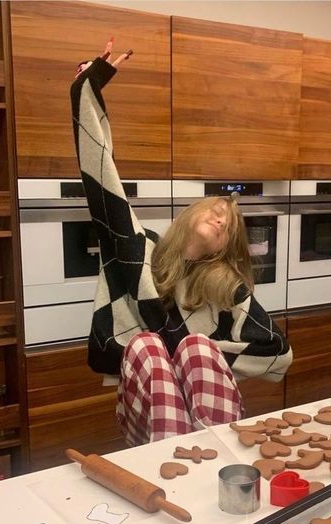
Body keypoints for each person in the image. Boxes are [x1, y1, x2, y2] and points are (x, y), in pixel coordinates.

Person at [71, 40, 293, 446]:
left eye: (229, 226)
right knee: (149, 348)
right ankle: (171, 462)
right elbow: (103, 183)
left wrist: (196, 356)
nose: (223, 216)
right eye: (214, 208)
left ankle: (214, 460)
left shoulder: (225, 289)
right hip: (147, 412)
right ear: (187, 216)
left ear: (223, 250)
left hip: (213, 422)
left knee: (196, 348)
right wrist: (88, 90)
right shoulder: (141, 251)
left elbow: (279, 351)